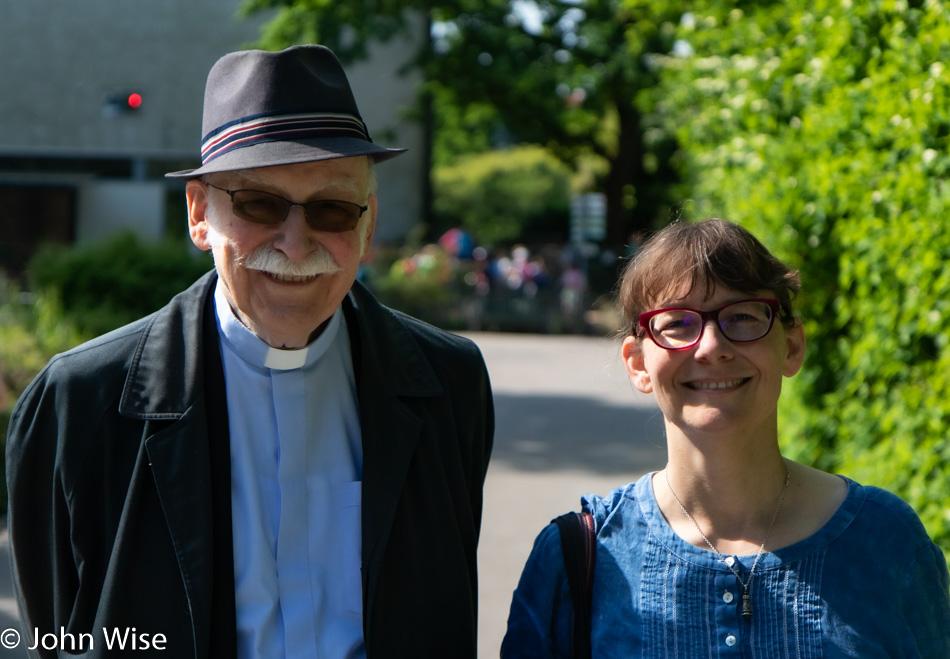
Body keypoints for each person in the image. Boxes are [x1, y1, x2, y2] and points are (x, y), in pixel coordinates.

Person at [7, 45, 493, 658]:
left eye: (332, 208)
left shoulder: (448, 384)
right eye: (260, 203)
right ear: (199, 213)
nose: (295, 244)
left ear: (367, 226)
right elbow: (58, 635)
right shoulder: (78, 402)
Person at [501, 218, 950, 657]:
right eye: (677, 323)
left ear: (791, 347)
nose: (712, 346)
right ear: (637, 362)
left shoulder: (885, 542)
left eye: (743, 316)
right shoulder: (579, 559)